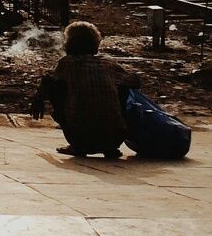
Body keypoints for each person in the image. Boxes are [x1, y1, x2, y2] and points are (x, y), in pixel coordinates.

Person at [31, 20, 140, 158]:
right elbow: (135, 81)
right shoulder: (108, 63)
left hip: (79, 137)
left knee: (56, 85)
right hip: (114, 137)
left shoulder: (66, 64)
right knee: (123, 86)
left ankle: (77, 145)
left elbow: (48, 79)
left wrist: (39, 97)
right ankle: (109, 147)